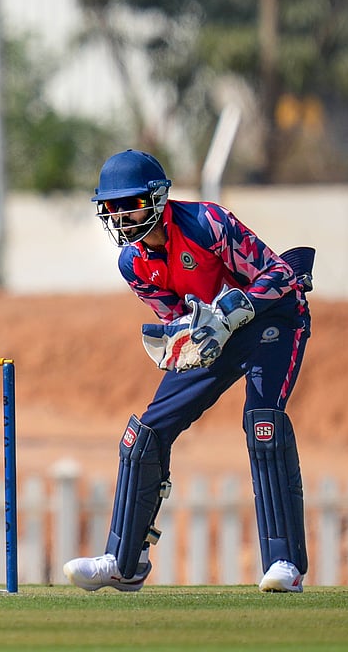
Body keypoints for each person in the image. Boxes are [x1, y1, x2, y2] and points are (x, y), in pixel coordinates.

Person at [63, 149, 314, 593]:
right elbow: (175, 316)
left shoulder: (207, 223)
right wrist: (179, 338)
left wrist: (237, 308)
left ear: (159, 199)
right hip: (213, 335)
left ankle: (284, 565)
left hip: (274, 320)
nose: (121, 217)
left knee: (262, 423)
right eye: (112, 208)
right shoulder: (133, 263)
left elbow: (280, 274)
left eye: (132, 204)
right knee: (148, 431)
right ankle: (125, 563)